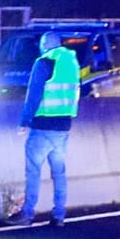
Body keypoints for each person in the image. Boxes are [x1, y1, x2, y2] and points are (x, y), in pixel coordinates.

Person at [18, 30, 80, 226]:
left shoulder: (44, 62)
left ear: (44, 44)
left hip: (43, 126)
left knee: (33, 171)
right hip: (63, 127)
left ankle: (27, 214)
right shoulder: (72, 63)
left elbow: (34, 94)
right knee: (59, 173)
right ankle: (59, 216)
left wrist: (25, 121)